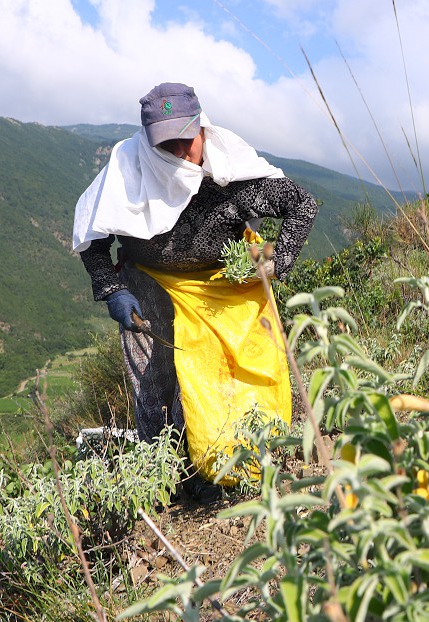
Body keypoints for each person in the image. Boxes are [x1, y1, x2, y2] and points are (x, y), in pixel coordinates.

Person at [72, 82, 317, 501]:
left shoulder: (232, 176)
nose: (182, 152)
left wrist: (280, 258)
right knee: (154, 382)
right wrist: (112, 289)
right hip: (149, 284)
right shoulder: (129, 169)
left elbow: (302, 204)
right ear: (149, 143)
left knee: (218, 377)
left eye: (188, 138)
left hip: (222, 287)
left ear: (203, 127)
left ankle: (221, 468)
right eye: (167, 144)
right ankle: (161, 478)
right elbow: (93, 239)